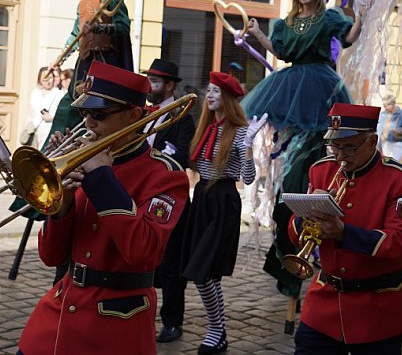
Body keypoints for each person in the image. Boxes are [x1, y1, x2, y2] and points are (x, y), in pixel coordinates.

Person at [17, 61, 189, 355]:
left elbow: (143, 251)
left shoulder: (165, 175)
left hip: (116, 323)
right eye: (85, 113)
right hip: (58, 312)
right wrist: (63, 203)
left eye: (99, 115)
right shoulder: (83, 158)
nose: (89, 123)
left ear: (134, 114)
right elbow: (51, 256)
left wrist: (101, 179)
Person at [242, 0, 362, 298]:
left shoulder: (328, 17)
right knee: (291, 155)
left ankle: (304, 214)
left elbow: (349, 39)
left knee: (312, 150)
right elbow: (280, 52)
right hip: (291, 83)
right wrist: (256, 33)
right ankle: (288, 235)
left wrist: (363, 16)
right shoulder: (286, 23)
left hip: (321, 86)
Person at [288, 103, 402, 354]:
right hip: (326, 302)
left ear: (372, 140)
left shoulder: (399, 179)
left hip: (378, 307)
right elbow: (294, 232)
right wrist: (307, 216)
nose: (340, 156)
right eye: (335, 146)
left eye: (349, 147)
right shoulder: (321, 170)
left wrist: (344, 233)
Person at [180, 71, 265, 354]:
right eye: (210, 90)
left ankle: (217, 330)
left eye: (217, 91)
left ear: (228, 98)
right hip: (202, 199)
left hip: (223, 200)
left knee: (203, 272)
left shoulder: (240, 131)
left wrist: (249, 147)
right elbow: (194, 166)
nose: (210, 95)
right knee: (205, 273)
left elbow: (249, 178)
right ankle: (219, 332)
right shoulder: (204, 127)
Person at [45, 0, 133, 137]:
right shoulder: (83, 1)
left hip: (105, 60)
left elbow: (123, 27)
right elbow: (75, 34)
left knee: (100, 105)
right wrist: (59, 59)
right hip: (85, 60)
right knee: (70, 104)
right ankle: (56, 148)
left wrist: (100, 28)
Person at [141, 58, 196, 343]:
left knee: (171, 265)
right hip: (142, 194)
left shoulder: (183, 117)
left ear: (170, 85)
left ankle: (173, 322)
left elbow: (185, 156)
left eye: (156, 82)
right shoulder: (142, 112)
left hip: (169, 198)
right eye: (150, 80)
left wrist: (159, 154)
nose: (151, 86)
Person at [25, 66, 65, 149]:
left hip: (49, 132)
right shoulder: (35, 93)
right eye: (44, 78)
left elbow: (62, 116)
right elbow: (30, 112)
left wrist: (51, 118)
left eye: (50, 78)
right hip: (35, 131)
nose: (48, 81)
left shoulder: (58, 94)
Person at [376, 94, 402, 161]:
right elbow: (379, 127)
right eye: (384, 105)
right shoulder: (383, 114)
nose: (385, 108)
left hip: (397, 144)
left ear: (393, 104)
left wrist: (400, 131)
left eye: (387, 105)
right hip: (385, 143)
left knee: (392, 162)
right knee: (386, 163)